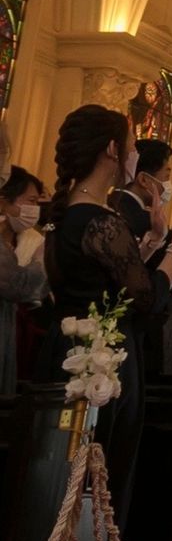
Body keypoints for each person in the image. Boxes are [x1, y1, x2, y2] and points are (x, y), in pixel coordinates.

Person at [37, 105, 172, 523]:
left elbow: (108, 285)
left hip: (67, 349)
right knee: (96, 478)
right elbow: (148, 300)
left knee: (58, 476)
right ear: (112, 150)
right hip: (106, 360)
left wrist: (152, 242)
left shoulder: (70, 215)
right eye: (132, 146)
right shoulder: (102, 221)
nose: (135, 155)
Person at [0, 166, 48, 391]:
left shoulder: (31, 238)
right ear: (4, 202)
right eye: (31, 201)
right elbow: (19, 286)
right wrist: (40, 259)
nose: (35, 209)